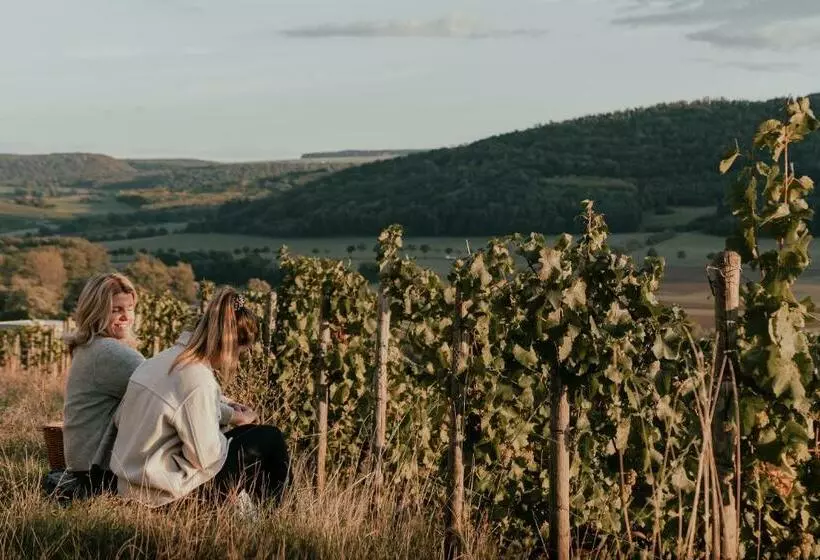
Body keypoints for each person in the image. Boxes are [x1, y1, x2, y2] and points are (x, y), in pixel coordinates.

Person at [110, 287, 290, 509]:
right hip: (163, 496)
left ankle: (254, 514)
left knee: (248, 435)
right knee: (270, 438)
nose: (237, 360)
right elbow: (205, 458)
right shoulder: (197, 378)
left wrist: (229, 417)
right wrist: (228, 435)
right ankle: (277, 515)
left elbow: (123, 418)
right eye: (240, 353)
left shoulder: (158, 362)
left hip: (130, 486)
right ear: (230, 346)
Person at [62, 272, 145, 494]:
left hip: (84, 466)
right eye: (116, 310)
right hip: (101, 473)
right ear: (96, 312)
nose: (126, 317)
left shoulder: (91, 347)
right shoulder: (109, 352)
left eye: (130, 308)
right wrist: (226, 411)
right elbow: (165, 389)